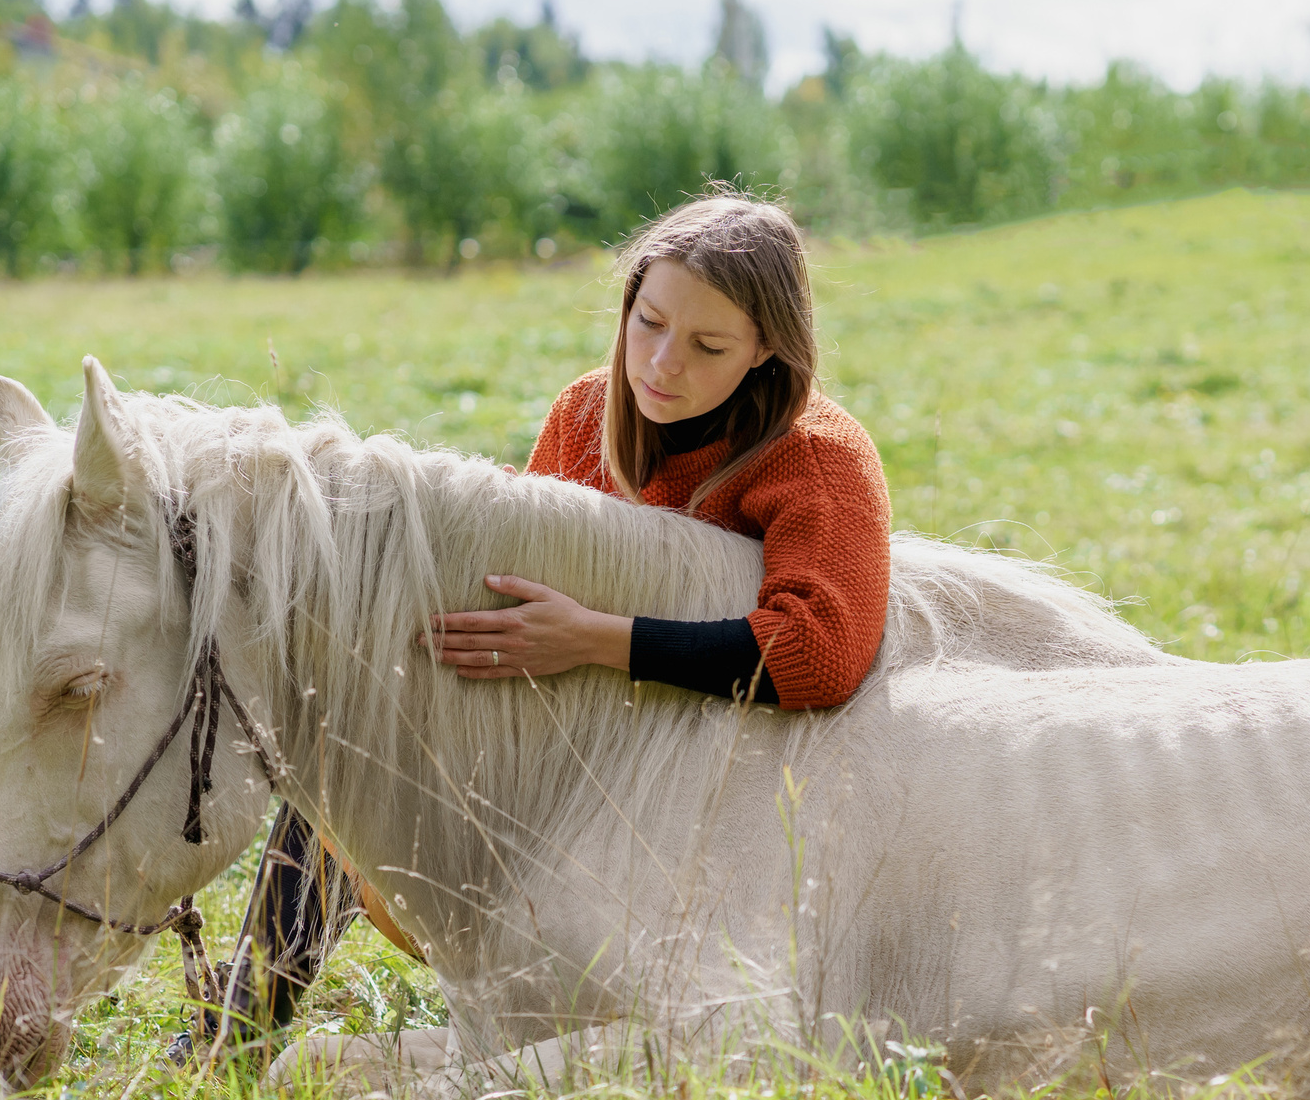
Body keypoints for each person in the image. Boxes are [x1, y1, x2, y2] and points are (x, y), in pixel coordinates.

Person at [197, 189, 893, 1052]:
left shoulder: (818, 458)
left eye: (709, 345)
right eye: (648, 322)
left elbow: (824, 651)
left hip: (715, 781)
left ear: (767, 353)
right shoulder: (583, 415)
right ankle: (228, 1034)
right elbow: (517, 580)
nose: (662, 365)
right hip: (568, 751)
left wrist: (595, 637)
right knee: (356, 739)